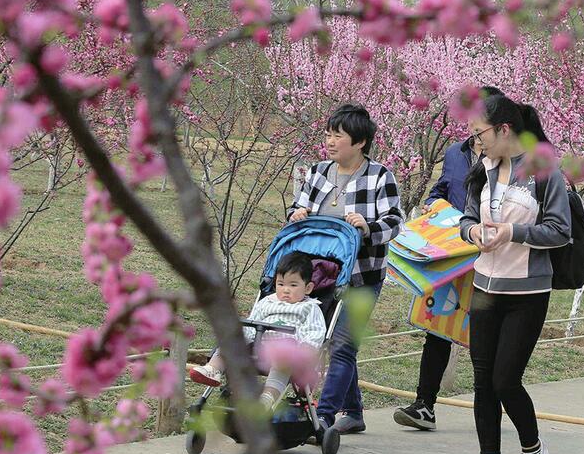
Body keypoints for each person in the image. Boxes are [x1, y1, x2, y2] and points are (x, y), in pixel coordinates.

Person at [457, 95, 572, 454]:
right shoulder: (482, 171)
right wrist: (473, 232)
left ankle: (532, 448)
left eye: (480, 135)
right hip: (485, 286)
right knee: (483, 381)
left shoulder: (543, 170)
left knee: (507, 380)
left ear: (504, 129)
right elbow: (467, 218)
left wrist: (512, 232)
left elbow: (561, 230)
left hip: (527, 292)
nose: (477, 143)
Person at [392, 85, 502, 431]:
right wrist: (433, 202)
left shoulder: (512, 162)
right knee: (437, 327)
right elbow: (443, 187)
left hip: (492, 258)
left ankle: (497, 404)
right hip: (452, 255)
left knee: (487, 335)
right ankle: (425, 404)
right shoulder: (455, 153)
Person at [289, 104, 403, 434]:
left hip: (363, 275)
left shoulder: (380, 176)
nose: (330, 141)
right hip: (321, 274)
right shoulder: (318, 171)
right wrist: (296, 213)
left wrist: (368, 228)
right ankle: (354, 412)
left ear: (360, 142)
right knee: (332, 342)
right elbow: (298, 207)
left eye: (338, 136)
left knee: (342, 343)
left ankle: (324, 416)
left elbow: (395, 222)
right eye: (328, 134)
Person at [188, 252, 326, 408]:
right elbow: (253, 323)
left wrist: (305, 350)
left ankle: (267, 398)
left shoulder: (309, 307)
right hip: (258, 346)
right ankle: (213, 369)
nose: (286, 290)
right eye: (281, 284)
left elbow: (315, 332)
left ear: (308, 288)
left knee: (283, 362)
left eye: (293, 285)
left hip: (286, 351)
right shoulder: (267, 301)